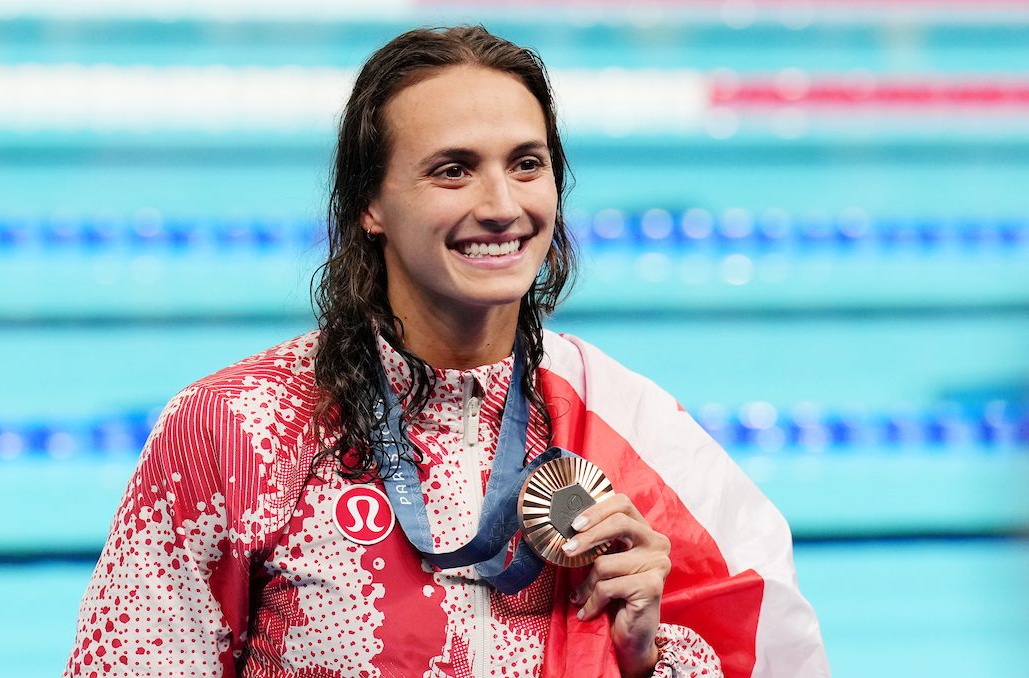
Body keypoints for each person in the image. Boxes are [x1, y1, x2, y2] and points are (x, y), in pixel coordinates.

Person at [65, 26, 829, 678]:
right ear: (370, 204)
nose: (500, 207)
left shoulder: (623, 423)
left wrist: (640, 655)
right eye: (452, 169)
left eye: (526, 164)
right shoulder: (235, 430)